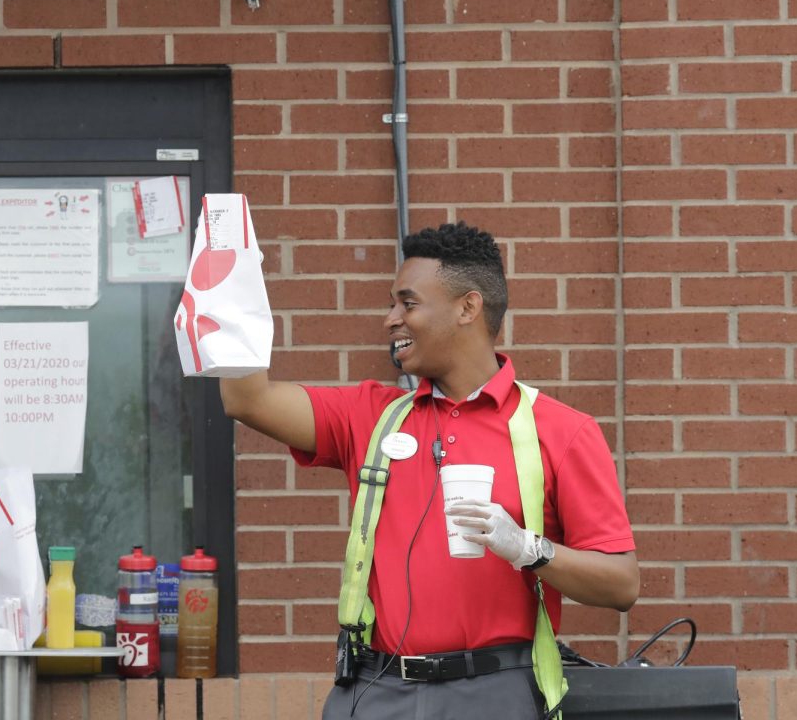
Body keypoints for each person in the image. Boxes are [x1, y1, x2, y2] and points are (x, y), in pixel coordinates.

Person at [219, 222, 638, 719]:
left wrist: (529, 549)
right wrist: (230, 281)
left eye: (408, 303)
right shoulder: (370, 415)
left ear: (467, 308)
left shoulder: (562, 431)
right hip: (376, 692)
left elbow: (621, 585)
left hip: (497, 695)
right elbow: (247, 399)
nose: (390, 319)